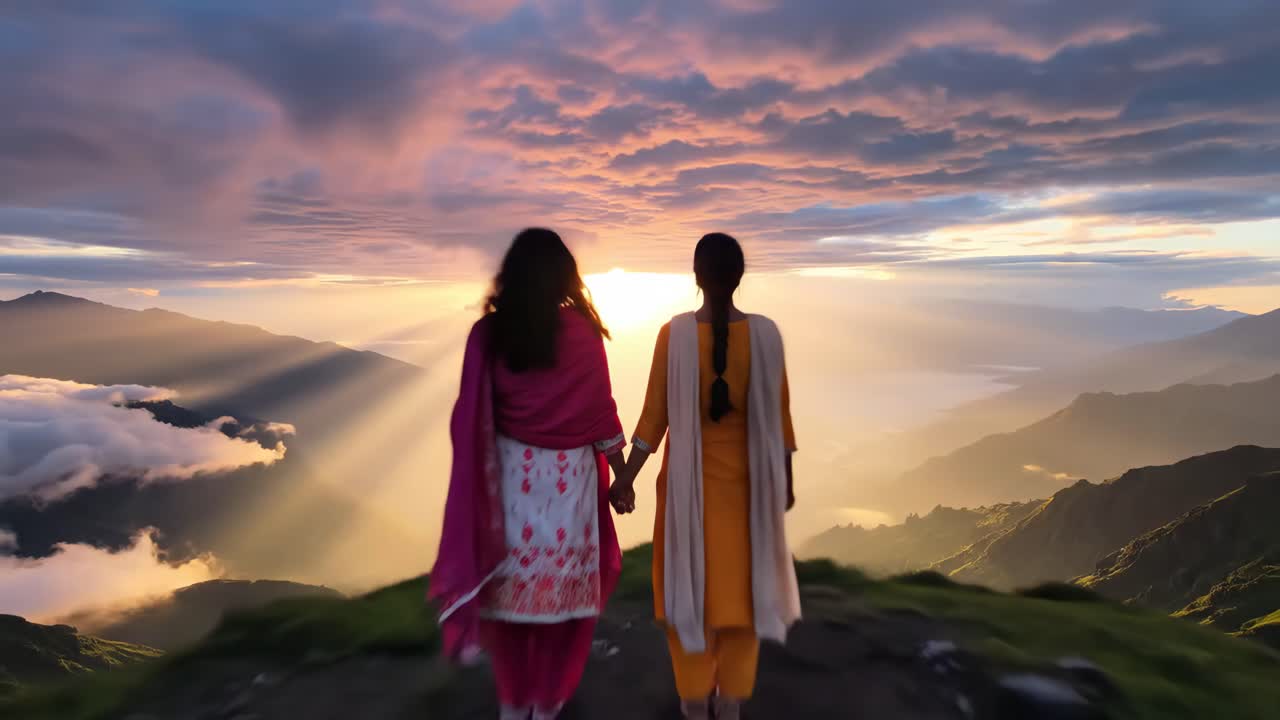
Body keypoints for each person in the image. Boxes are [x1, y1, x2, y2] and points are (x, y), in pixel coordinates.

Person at [430, 228, 627, 720]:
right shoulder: (582, 333)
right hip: (571, 490)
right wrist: (622, 479)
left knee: (514, 615)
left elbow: (471, 415)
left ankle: (514, 706)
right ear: (564, 276)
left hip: (511, 489)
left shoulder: (489, 334)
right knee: (562, 615)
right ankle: (548, 703)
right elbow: (601, 416)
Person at [610, 232, 800, 720]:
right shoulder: (766, 335)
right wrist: (786, 482)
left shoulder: (673, 336)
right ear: (739, 277)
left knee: (688, 601)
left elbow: (653, 422)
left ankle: (695, 703)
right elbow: (781, 424)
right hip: (750, 501)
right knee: (745, 603)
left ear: (696, 277)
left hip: (685, 501)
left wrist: (625, 477)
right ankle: (730, 705)